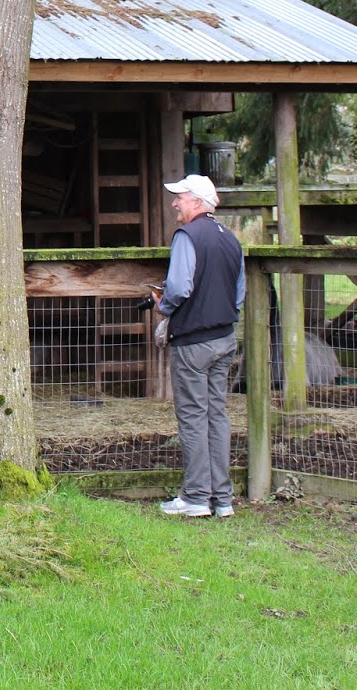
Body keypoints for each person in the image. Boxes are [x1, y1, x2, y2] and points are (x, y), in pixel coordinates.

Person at [152, 173, 245, 519]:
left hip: (194, 342)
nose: (175, 202)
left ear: (196, 202)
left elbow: (178, 287)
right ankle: (222, 499)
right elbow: (238, 295)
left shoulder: (187, 236)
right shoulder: (230, 238)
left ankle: (194, 497)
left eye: (180, 197)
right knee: (216, 415)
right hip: (224, 338)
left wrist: (163, 305)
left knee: (192, 416)